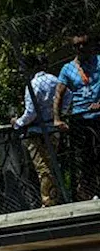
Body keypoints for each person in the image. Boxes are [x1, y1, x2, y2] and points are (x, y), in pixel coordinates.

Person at [14, 53, 68, 207]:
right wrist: (60, 112)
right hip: (53, 127)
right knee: (51, 163)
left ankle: (49, 199)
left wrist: (18, 122)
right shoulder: (55, 80)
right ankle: (55, 195)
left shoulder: (33, 84)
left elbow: (30, 113)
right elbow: (68, 95)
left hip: (36, 130)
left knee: (42, 166)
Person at [54, 29, 101, 201]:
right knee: (85, 157)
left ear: (91, 44)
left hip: (99, 115)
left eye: (84, 44)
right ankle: (92, 192)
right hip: (80, 117)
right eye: (76, 45)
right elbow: (58, 94)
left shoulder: (99, 62)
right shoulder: (67, 69)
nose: (81, 48)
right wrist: (57, 118)